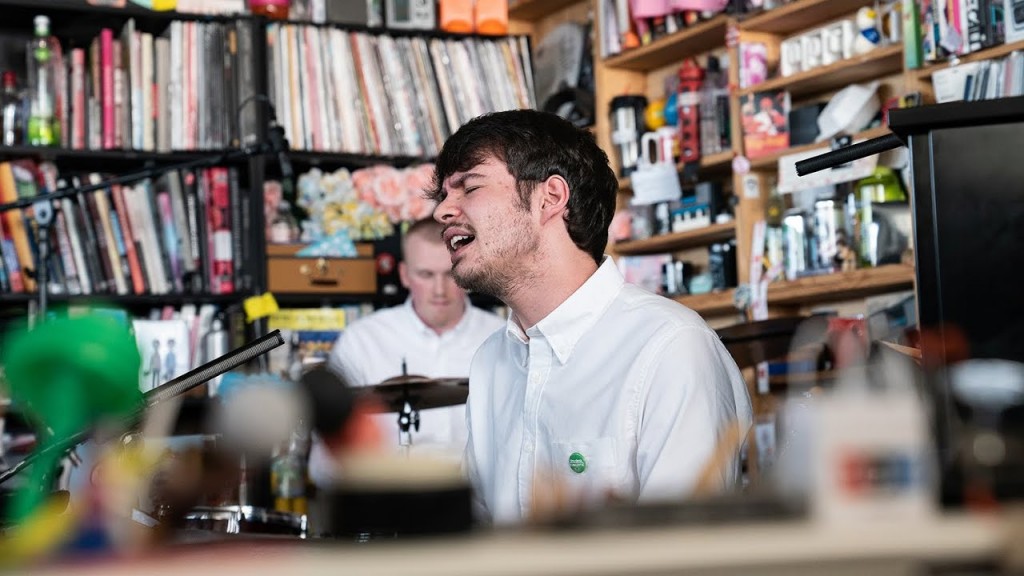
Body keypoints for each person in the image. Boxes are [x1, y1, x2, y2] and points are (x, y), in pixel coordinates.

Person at [429, 109, 753, 525]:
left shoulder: (670, 347)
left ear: (550, 198)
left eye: (469, 187)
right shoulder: (492, 360)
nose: (443, 212)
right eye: (443, 196)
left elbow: (687, 554)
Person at [317, 218, 504, 476]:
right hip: (389, 499)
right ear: (405, 275)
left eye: (450, 274)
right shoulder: (361, 341)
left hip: (479, 504)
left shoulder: (502, 336)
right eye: (426, 275)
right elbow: (326, 459)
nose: (439, 290)